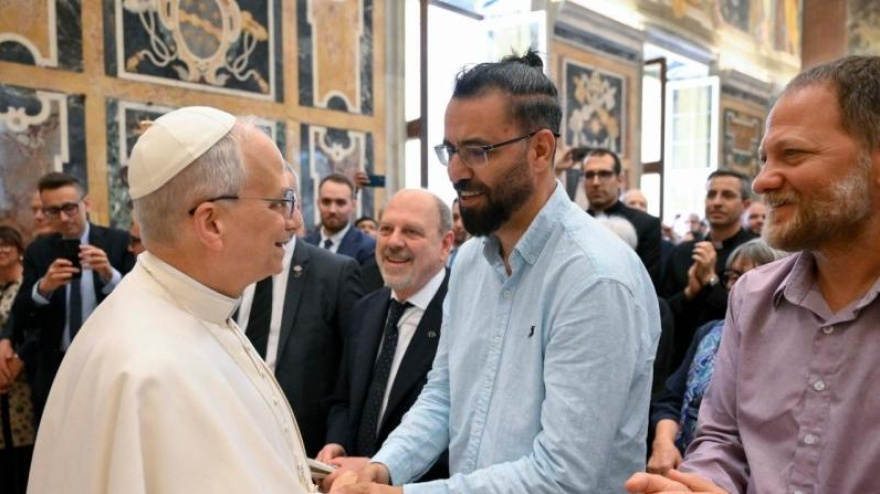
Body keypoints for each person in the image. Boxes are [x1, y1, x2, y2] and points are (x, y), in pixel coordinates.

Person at [332, 50, 659, 494]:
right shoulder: (469, 262)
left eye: (478, 151)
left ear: (541, 149)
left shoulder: (593, 277)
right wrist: (386, 466)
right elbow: (444, 395)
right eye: (450, 150)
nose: (455, 171)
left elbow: (563, 476)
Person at [626, 55, 880, 494]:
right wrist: (701, 484)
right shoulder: (754, 296)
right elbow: (724, 441)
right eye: (764, 158)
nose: (761, 181)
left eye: (792, 154)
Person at [28, 107, 317, 492]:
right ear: (212, 223)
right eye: (281, 201)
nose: (295, 221)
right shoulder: (141, 370)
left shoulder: (201, 309)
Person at [320, 189, 453, 483]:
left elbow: (462, 427)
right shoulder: (365, 309)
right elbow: (343, 399)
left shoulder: (463, 316)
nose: (394, 242)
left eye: (411, 232)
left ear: (445, 245)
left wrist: (381, 467)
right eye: (386, 229)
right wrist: (336, 443)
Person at [237, 164, 364, 457]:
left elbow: (350, 370)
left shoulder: (335, 273)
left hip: (302, 442)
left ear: (295, 205)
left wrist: (338, 440)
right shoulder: (228, 265)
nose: (276, 211)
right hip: (235, 428)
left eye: (283, 201)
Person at [647, 239, 787, 475]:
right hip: (684, 467)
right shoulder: (710, 333)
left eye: (751, 276)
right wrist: (663, 443)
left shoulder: (789, 344)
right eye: (732, 276)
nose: (736, 286)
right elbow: (670, 399)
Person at [10, 172, 135, 423]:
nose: (64, 218)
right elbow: (21, 311)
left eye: (70, 208)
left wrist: (109, 275)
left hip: (108, 364)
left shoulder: (117, 241)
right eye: (53, 211)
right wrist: (44, 287)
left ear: (85, 203)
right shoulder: (38, 250)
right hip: (55, 367)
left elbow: (141, 303)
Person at [660, 171, 756, 368]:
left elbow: (749, 315)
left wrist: (711, 281)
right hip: (681, 359)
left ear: (745, 205)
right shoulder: (683, 252)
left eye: (727, 195)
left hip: (733, 362)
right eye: (711, 194)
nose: (717, 202)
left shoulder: (753, 253)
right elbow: (663, 312)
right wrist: (689, 293)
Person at [584, 149, 662, 288]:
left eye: (604, 174)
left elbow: (649, 284)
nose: (595, 182)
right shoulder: (575, 224)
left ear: (619, 180)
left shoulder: (646, 224)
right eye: (589, 175)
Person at [0, 226, 33, 494]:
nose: (1, 249)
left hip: (21, 382)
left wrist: (13, 366)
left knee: (23, 457)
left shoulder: (27, 287)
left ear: (19, 250)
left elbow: (32, 330)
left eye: (6, 244)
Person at [304, 174, 376, 265]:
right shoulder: (304, 245)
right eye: (326, 202)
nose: (332, 210)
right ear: (318, 203)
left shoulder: (368, 248)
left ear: (353, 205)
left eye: (340, 203)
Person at [446, 198, 469, 267]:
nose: (459, 225)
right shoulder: (437, 252)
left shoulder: (478, 256)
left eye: (465, 219)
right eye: (455, 217)